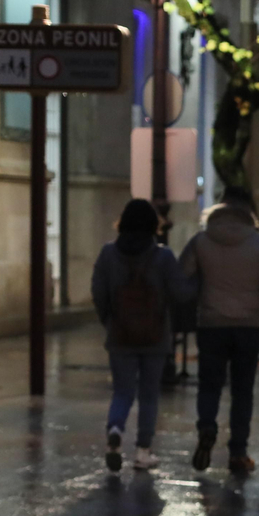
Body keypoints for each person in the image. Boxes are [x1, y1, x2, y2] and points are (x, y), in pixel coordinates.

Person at [181, 185, 259, 476]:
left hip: (211, 324)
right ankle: (238, 453)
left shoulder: (201, 241)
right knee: (242, 391)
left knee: (209, 384)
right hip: (248, 328)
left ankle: (206, 428)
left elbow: (182, 278)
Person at [90, 198, 195, 472]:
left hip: (120, 334)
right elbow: (181, 294)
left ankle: (115, 430)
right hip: (155, 335)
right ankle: (143, 451)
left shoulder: (108, 254)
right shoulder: (163, 257)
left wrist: (110, 321)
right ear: (153, 225)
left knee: (122, 391)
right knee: (149, 394)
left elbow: (98, 293)